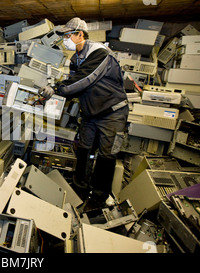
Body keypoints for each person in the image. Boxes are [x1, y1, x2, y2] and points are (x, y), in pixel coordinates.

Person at [39, 17, 129, 211]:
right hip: (91, 113)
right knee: (84, 150)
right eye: (64, 36)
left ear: (81, 35)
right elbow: (75, 88)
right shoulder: (75, 59)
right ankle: (80, 190)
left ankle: (98, 198)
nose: (65, 39)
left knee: (107, 156)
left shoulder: (99, 53)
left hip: (112, 113)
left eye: (68, 35)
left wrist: (56, 87)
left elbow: (85, 78)